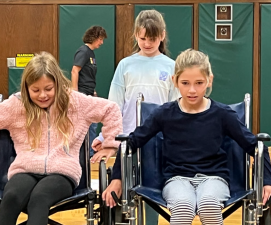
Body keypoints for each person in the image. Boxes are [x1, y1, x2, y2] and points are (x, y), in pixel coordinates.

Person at [111, 48, 271, 224]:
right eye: (185, 83)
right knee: (183, 206)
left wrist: (267, 181)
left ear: (209, 81)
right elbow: (132, 142)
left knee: (209, 204)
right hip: (176, 179)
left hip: (214, 178)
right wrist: (117, 178)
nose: (192, 90)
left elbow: (255, 146)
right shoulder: (164, 114)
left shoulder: (223, 114)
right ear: (175, 81)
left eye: (199, 83)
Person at [0, 51, 122, 225]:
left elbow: (111, 109)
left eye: (48, 89)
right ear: (27, 88)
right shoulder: (17, 105)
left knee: (40, 198)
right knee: (11, 197)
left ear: (57, 84)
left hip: (62, 172)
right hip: (25, 169)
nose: (42, 95)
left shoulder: (75, 102)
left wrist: (110, 144)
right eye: (35, 90)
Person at [91, 9, 179, 225]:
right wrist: (105, 137)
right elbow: (114, 106)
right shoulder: (125, 65)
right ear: (135, 36)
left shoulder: (171, 66)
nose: (147, 43)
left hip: (159, 142)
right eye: (142, 38)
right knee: (123, 186)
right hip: (128, 139)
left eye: (152, 39)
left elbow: (175, 108)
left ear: (162, 35)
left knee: (151, 189)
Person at [71, 25, 107, 157]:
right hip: (81, 93)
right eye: (100, 39)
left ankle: (90, 152)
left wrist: (94, 91)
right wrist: (75, 92)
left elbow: (88, 75)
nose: (101, 43)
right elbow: (75, 70)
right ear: (94, 37)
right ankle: (89, 153)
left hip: (90, 93)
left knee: (92, 124)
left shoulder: (91, 53)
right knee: (89, 125)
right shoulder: (83, 51)